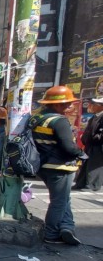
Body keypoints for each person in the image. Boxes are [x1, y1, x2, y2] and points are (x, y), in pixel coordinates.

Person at [31, 86, 88, 245]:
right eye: (66, 104)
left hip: (43, 166)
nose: (69, 107)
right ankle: (52, 234)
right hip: (60, 167)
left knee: (63, 199)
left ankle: (66, 227)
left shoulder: (37, 118)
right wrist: (80, 153)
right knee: (59, 202)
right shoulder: (59, 121)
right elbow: (68, 147)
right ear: (56, 104)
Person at [74, 97, 103, 193]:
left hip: (98, 146)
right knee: (86, 164)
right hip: (90, 145)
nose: (91, 106)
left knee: (95, 165)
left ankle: (92, 185)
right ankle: (80, 183)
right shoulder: (95, 116)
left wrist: (95, 137)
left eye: (94, 104)